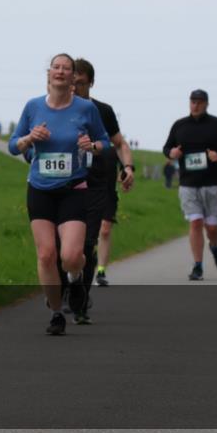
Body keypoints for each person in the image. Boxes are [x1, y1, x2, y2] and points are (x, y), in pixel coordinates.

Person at [9, 53, 109, 335]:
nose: (61, 72)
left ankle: (75, 278)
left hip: (73, 189)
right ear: (49, 73)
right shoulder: (33, 107)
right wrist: (29, 139)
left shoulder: (86, 109)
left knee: (72, 254)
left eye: (67, 68)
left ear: (73, 76)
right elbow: (13, 145)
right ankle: (56, 313)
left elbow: (105, 143)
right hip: (40, 189)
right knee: (46, 255)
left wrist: (92, 147)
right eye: (57, 67)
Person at [71, 58, 134, 311]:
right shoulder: (58, 109)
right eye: (72, 83)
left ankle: (84, 291)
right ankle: (68, 288)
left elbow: (119, 143)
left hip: (100, 183)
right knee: (67, 244)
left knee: (91, 239)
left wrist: (128, 168)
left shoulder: (102, 111)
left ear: (91, 83)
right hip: (69, 184)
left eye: (81, 84)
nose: (75, 89)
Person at [162, 89, 217, 281]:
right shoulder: (179, 125)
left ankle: (214, 246)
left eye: (199, 102)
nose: (195, 105)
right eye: (192, 102)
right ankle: (198, 266)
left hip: (213, 184)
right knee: (196, 222)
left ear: (206, 104)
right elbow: (166, 148)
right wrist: (171, 153)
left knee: (212, 227)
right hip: (188, 184)